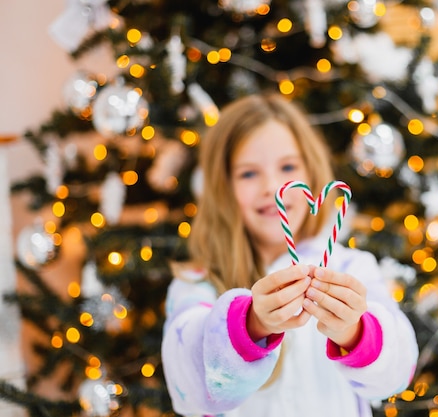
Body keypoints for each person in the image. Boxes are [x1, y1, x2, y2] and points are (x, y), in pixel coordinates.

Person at [161, 93, 418, 417]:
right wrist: (251, 324)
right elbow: (189, 391)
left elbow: (398, 372)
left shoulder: (352, 269)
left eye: (287, 166)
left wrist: (353, 332)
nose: (271, 185)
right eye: (248, 174)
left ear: (311, 174)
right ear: (223, 187)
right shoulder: (197, 282)